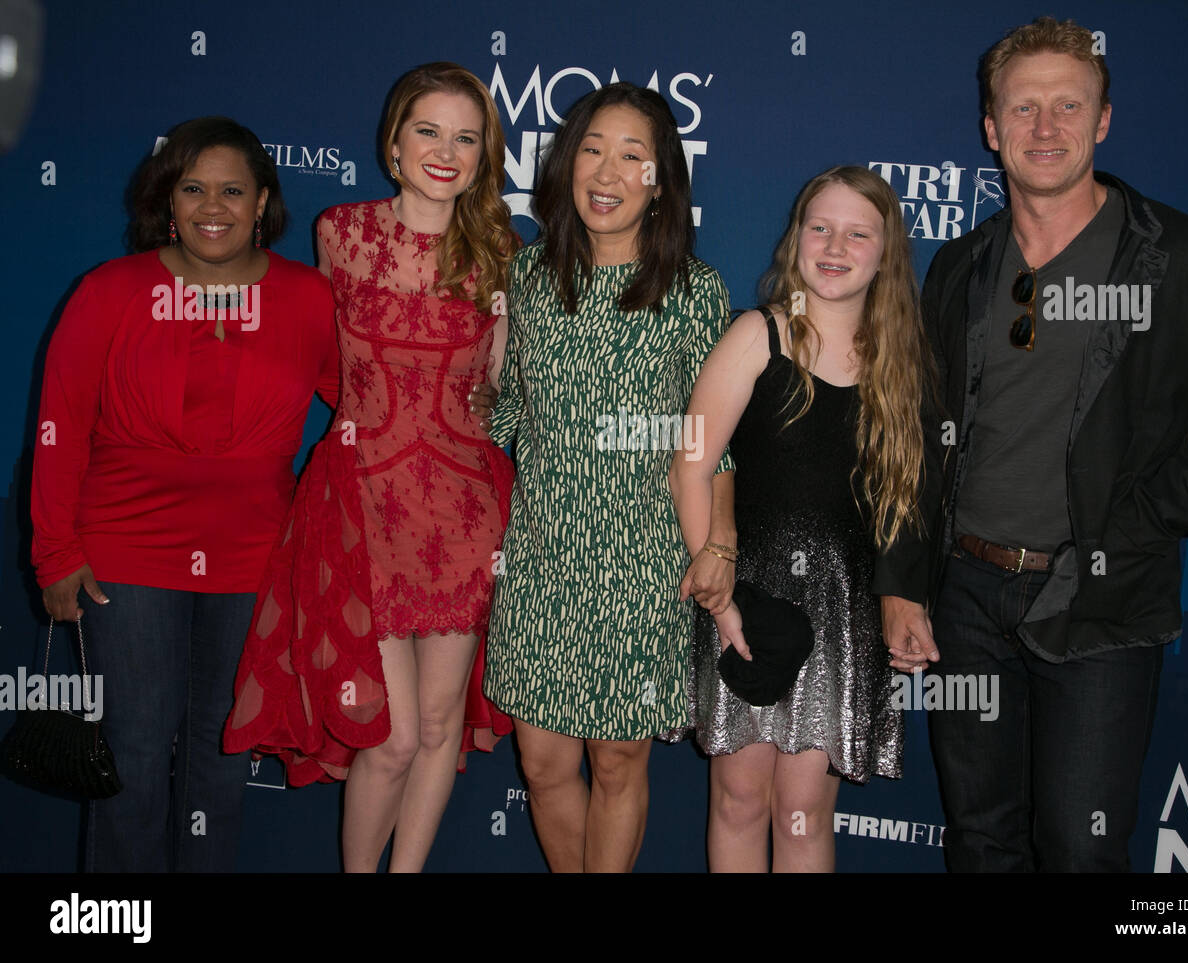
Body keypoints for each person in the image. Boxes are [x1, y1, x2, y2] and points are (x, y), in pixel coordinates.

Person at [883, 16, 1188, 871]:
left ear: (1103, 120)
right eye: (1024, 108)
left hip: (1102, 604)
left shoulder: (1187, 261)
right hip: (965, 600)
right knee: (980, 836)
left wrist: (1156, 512)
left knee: (1081, 848)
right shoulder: (960, 265)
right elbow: (918, 436)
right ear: (991, 128)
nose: (1046, 128)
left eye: (1068, 105)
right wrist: (902, 581)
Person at [222, 63, 518, 873]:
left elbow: (498, 391)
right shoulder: (340, 232)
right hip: (363, 505)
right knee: (384, 737)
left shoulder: (501, 252)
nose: (445, 151)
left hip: (462, 516)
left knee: (435, 725)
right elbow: (316, 358)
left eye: (466, 137)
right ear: (393, 143)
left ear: (485, 154)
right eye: (428, 130)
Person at [31, 116, 340, 872]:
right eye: (193, 187)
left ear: (263, 201)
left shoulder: (308, 300)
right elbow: (59, 427)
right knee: (132, 755)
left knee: (221, 757)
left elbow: (375, 404)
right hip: (124, 553)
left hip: (254, 557)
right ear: (167, 200)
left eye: (233, 189)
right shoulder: (110, 291)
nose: (213, 205)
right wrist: (53, 554)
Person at [483, 82, 737, 873]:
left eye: (634, 155)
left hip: (641, 559)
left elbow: (711, 443)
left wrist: (719, 542)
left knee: (619, 760)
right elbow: (504, 421)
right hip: (542, 553)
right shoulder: (525, 278)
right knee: (542, 765)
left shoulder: (695, 293)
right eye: (593, 148)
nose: (608, 171)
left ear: (662, 179)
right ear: (565, 164)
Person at [666, 166, 935, 871]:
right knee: (738, 798)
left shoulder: (900, 364)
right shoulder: (758, 336)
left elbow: (903, 506)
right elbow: (691, 463)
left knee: (804, 809)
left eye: (858, 231)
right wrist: (716, 589)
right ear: (795, 238)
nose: (835, 245)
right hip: (749, 598)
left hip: (843, 613)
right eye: (820, 226)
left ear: (887, 251)